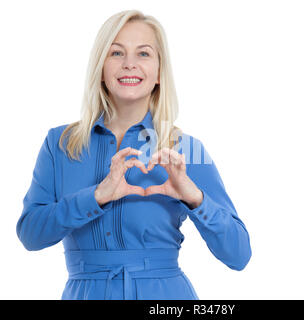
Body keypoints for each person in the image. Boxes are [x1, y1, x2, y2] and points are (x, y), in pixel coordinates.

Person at [16, 9, 252, 300]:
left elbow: (239, 255)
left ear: (159, 72)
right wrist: (96, 196)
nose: (129, 64)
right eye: (116, 53)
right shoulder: (61, 143)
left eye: (143, 54)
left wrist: (195, 197)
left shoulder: (184, 148)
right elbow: (30, 234)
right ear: (100, 67)